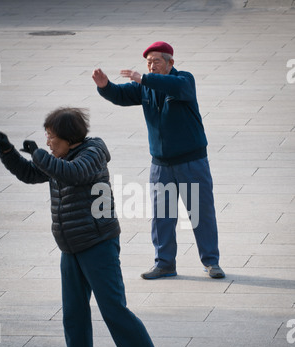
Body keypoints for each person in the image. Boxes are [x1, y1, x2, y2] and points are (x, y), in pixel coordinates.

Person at [0, 107, 172, 347]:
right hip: (71, 247)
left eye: (51, 137)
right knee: (73, 316)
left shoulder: (92, 154)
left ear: (68, 138)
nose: (48, 142)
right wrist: (7, 150)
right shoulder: (59, 158)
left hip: (98, 244)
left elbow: (73, 175)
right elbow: (30, 174)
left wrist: (39, 154)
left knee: (113, 309)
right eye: (47, 137)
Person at [92, 41, 225, 280]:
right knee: (162, 216)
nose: (151, 66)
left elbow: (173, 86)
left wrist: (143, 78)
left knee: (200, 213)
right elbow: (121, 94)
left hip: (191, 163)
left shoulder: (184, 80)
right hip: (161, 165)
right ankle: (164, 264)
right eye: (148, 62)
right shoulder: (145, 86)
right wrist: (105, 87)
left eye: (156, 61)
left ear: (170, 62)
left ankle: (211, 262)